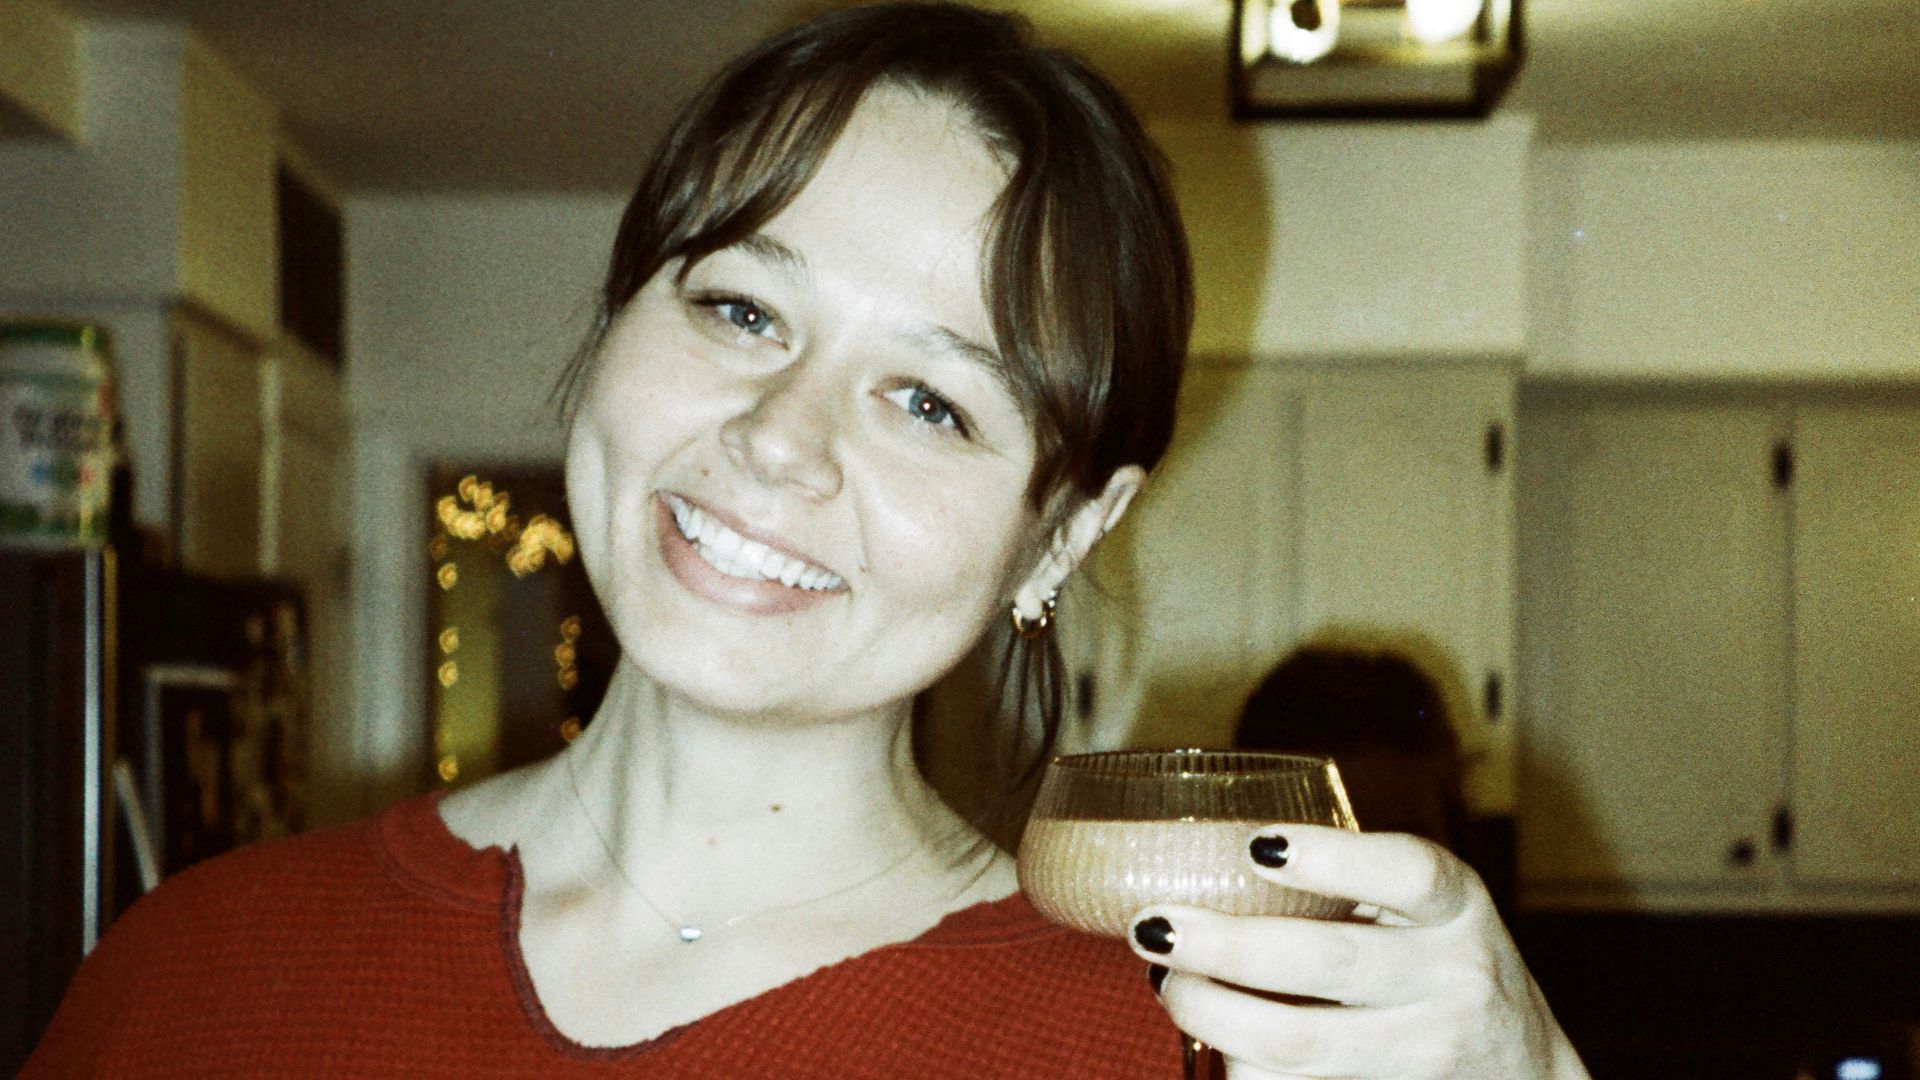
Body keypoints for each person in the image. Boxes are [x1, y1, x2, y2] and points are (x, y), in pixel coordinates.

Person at [28, 4, 1589, 1077]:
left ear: (1065, 535)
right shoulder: (198, 976)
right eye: (738, 308)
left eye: (928, 401)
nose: (780, 434)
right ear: (616, 321)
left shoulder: (1165, 1049)